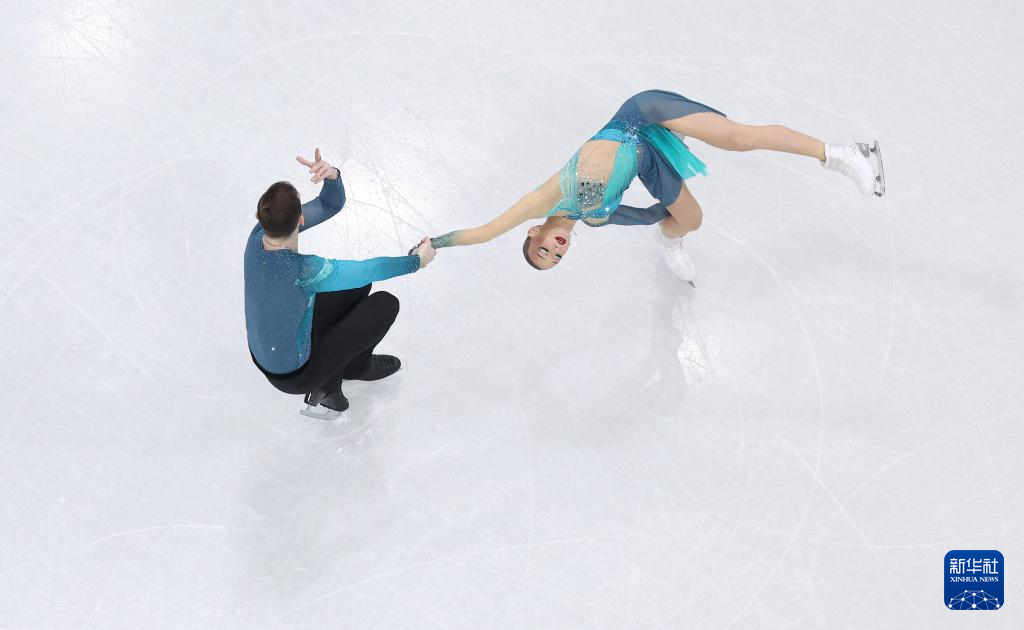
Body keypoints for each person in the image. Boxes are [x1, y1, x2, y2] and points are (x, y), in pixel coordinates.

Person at [414, 89, 884, 285]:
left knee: (737, 139)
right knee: (691, 220)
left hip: (639, 118)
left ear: (534, 232)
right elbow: (642, 216)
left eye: (543, 250)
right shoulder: (594, 219)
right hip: (648, 160)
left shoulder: (547, 198)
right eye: (556, 258)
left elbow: (486, 232)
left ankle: (844, 153)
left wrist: (434, 244)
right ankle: (671, 243)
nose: (555, 251)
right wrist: (664, 220)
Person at [244, 147, 437, 418]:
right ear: (301, 218)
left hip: (271, 352)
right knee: (385, 304)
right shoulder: (306, 270)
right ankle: (355, 368)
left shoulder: (257, 235)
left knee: (356, 287)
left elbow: (329, 205)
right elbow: (370, 269)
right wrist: (416, 261)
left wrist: (332, 177)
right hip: (296, 374)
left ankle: (331, 382)